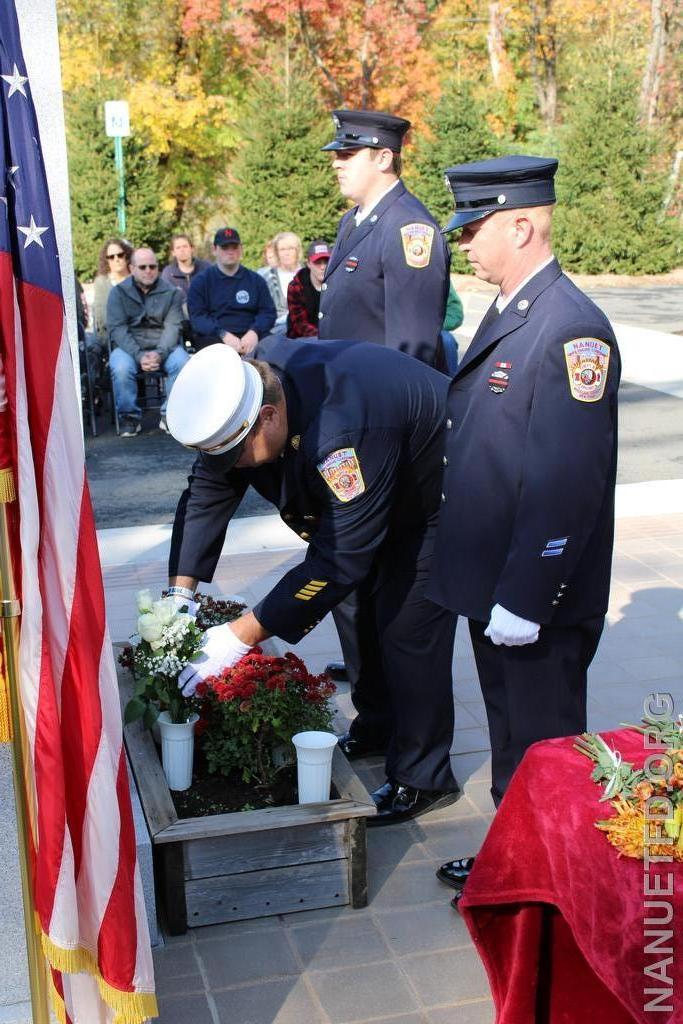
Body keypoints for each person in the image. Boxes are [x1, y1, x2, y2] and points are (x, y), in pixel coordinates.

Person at [426, 156, 621, 901]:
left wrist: (528, 593)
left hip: (532, 593)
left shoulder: (571, 329)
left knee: (546, 746)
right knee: (514, 744)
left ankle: (567, 891)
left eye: (474, 228)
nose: (466, 243)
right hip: (493, 581)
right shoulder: (514, 309)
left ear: (522, 224)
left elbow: (568, 480)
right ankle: (520, 867)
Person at [166, 337, 461, 824]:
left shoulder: (341, 431)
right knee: (350, 609)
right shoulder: (250, 388)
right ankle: (378, 725)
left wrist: (240, 636)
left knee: (407, 627)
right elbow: (206, 493)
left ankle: (422, 776)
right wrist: (180, 595)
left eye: (237, 455)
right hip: (362, 499)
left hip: (430, 499)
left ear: (268, 418)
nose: (233, 467)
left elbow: (341, 557)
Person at [318, 109, 450, 366]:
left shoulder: (409, 227)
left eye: (347, 154)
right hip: (347, 386)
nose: (336, 163)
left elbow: (411, 348)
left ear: (383, 159)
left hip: (380, 395)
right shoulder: (351, 220)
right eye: (337, 155)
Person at [107, 247, 189, 436]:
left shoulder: (171, 293)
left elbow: (173, 327)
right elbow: (117, 329)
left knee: (183, 362)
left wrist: (159, 354)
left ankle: (170, 415)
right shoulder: (118, 293)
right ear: (132, 268)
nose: (148, 271)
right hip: (130, 348)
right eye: (142, 267)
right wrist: (139, 355)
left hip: (163, 346)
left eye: (152, 266)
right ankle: (129, 418)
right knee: (120, 367)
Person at [187, 227, 276, 353]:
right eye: (225, 247)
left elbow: (268, 312)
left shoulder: (256, 281)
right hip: (215, 338)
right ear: (214, 250)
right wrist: (223, 334)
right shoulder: (201, 282)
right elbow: (198, 317)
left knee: (276, 347)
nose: (230, 252)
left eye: (234, 247)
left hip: (252, 337)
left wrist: (254, 332)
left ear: (241, 249)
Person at [286, 239, 331, 338]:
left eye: (326, 262)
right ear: (309, 263)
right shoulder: (296, 287)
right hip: (301, 340)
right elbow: (299, 324)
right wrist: (322, 337)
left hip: (332, 339)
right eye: (318, 262)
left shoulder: (338, 285)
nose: (323, 267)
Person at [261, 232, 303, 333]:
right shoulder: (265, 276)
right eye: (282, 249)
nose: (286, 253)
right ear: (276, 252)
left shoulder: (308, 274)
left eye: (290, 248)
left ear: (297, 251)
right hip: (275, 332)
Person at [92, 237, 133, 339]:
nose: (116, 259)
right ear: (107, 260)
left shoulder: (137, 278)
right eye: (111, 257)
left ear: (126, 256)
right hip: (113, 337)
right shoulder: (101, 282)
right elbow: (102, 317)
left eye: (120, 255)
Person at [161, 234, 211, 299]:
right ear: (173, 252)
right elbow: (166, 299)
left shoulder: (206, 268)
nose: (182, 250)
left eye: (185, 246)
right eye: (178, 248)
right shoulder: (168, 274)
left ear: (192, 249)